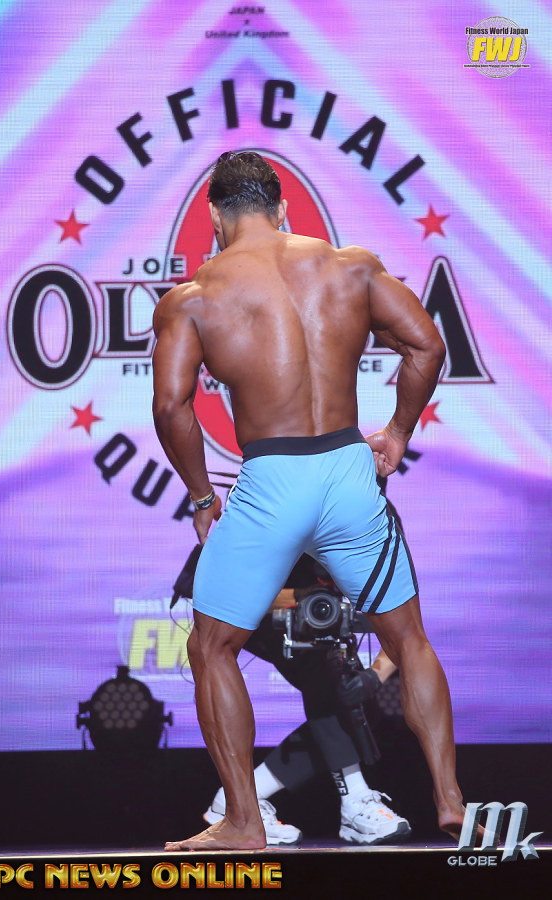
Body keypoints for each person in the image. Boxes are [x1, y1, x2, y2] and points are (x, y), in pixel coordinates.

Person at [153, 150, 465, 851]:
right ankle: (451, 799)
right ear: (284, 207)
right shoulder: (350, 266)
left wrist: (201, 496)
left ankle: (243, 821)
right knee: (408, 639)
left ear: (214, 215)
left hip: (273, 479)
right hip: (349, 470)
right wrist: (397, 432)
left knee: (212, 646)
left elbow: (172, 406)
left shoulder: (194, 297)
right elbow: (426, 345)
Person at [203, 554, 410, 846]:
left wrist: (375, 676)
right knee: (323, 670)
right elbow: (236, 592)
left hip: (307, 605)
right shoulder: (288, 531)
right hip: (244, 605)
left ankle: (238, 800)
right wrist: (298, 596)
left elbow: (404, 621)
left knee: (362, 709)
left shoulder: (383, 536)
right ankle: (355, 799)